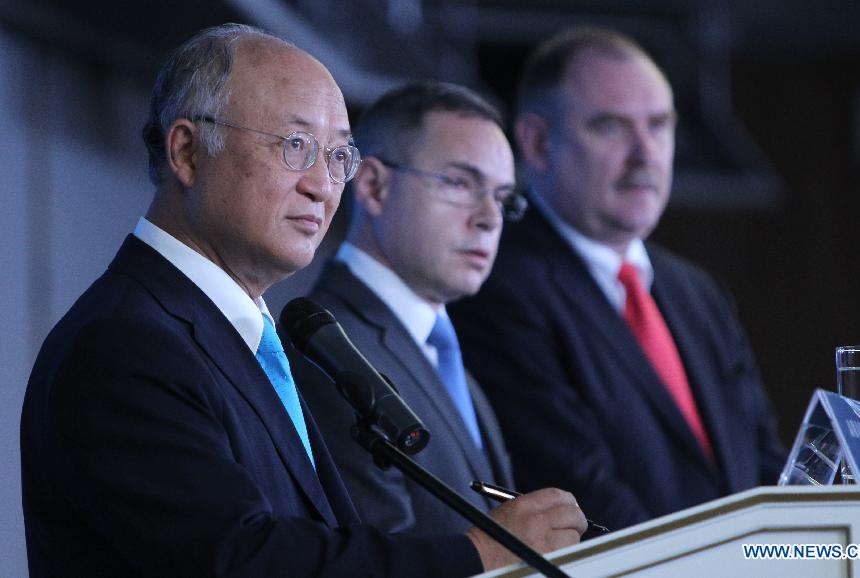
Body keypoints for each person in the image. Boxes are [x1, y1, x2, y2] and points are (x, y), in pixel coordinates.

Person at [19, 24, 586, 578]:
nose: (322, 184)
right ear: (187, 152)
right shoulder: (125, 343)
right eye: (294, 146)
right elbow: (239, 559)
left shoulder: (245, 338)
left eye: (338, 156)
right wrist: (477, 555)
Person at [450, 26, 785, 532]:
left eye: (659, 126)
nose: (645, 153)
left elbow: (764, 468)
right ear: (537, 143)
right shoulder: (498, 287)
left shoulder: (697, 292)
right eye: (612, 127)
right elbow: (584, 500)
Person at [287, 81, 526, 535]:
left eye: (501, 197)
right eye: (460, 182)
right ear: (374, 187)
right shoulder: (328, 352)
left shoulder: (445, 352)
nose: (489, 218)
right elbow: (383, 555)